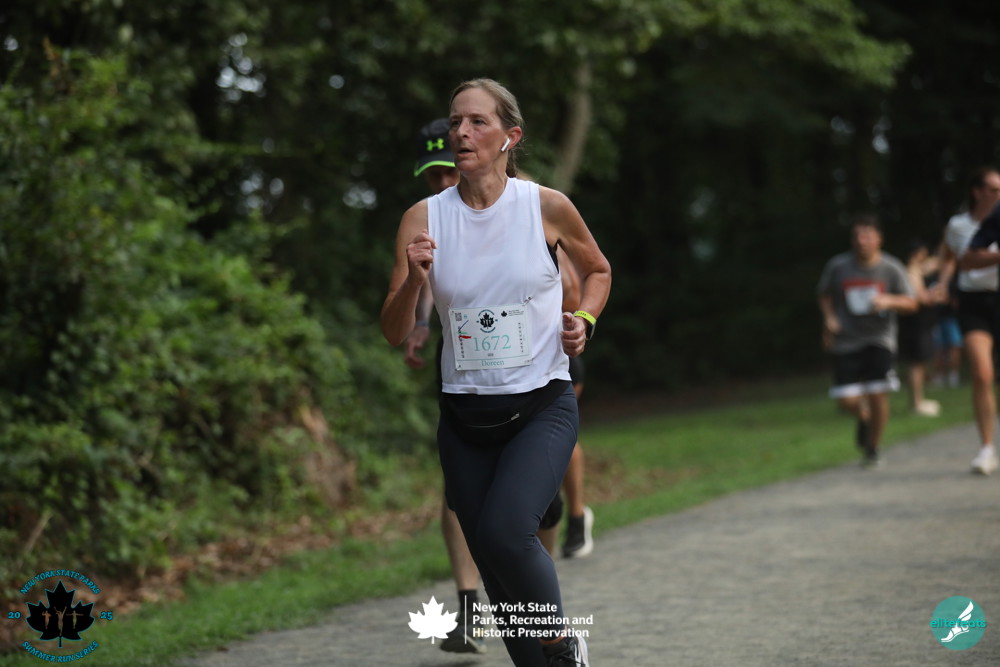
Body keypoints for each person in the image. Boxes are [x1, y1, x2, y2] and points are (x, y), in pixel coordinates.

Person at [382, 78, 611, 667]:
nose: (461, 132)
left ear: (510, 136)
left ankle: (561, 644)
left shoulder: (545, 206)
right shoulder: (423, 219)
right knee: (491, 560)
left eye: (477, 121)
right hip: (465, 418)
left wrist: (583, 318)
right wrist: (413, 281)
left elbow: (598, 270)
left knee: (506, 532)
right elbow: (392, 329)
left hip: (542, 405)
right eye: (455, 121)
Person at [817, 214, 917, 467]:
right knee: (845, 400)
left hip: (879, 339)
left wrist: (889, 301)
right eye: (857, 236)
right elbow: (824, 294)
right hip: (847, 340)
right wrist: (829, 319)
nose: (862, 241)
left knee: (878, 394)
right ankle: (863, 414)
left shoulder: (891, 268)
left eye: (868, 236)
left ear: (879, 239)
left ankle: (873, 447)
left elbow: (912, 303)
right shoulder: (838, 266)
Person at [937, 166, 1000, 475]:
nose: (999, 194)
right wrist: (942, 283)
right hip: (973, 302)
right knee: (982, 373)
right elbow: (955, 258)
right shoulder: (958, 225)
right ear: (977, 192)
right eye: (994, 189)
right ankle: (986, 448)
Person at [897, 238, 944, 416]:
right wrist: (936, 294)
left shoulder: (915, 270)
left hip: (919, 323)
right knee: (916, 364)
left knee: (920, 363)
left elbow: (937, 262)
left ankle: (919, 400)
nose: (926, 257)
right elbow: (920, 298)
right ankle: (916, 403)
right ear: (917, 254)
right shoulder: (910, 272)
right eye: (923, 253)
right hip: (915, 324)